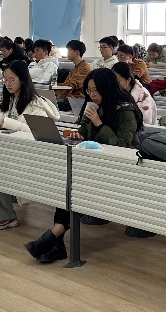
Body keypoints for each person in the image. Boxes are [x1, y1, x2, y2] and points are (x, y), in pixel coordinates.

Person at [24, 68, 143, 264]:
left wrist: (98, 124)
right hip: (95, 167)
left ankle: (54, 236)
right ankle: (56, 242)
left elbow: (123, 145)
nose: (92, 95)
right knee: (66, 184)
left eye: (95, 90)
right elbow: (84, 132)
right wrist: (79, 135)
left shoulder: (125, 109)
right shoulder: (96, 106)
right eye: (89, 90)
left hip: (121, 170)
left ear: (107, 88)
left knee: (73, 187)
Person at [0, 61, 61, 232]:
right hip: (12, 153)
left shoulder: (36, 104)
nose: (8, 84)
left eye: (12, 80)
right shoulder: (9, 100)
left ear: (22, 80)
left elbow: (36, 130)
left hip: (31, 157)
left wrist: (7, 122)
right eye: (5, 79)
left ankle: (5, 216)